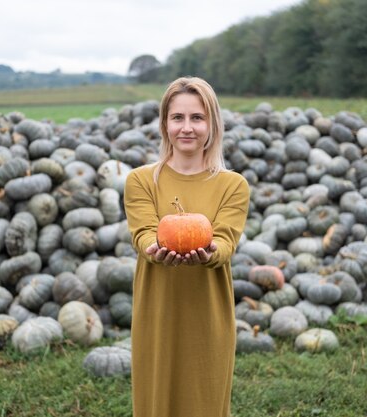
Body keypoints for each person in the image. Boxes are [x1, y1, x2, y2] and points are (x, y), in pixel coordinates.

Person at [124, 76, 250, 417]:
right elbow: (143, 233)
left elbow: (225, 240)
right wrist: (155, 248)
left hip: (207, 313)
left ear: (212, 123)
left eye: (198, 117)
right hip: (157, 311)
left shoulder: (232, 185)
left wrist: (208, 254)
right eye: (178, 117)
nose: (187, 127)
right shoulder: (140, 180)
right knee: (155, 403)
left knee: (204, 402)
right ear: (165, 123)